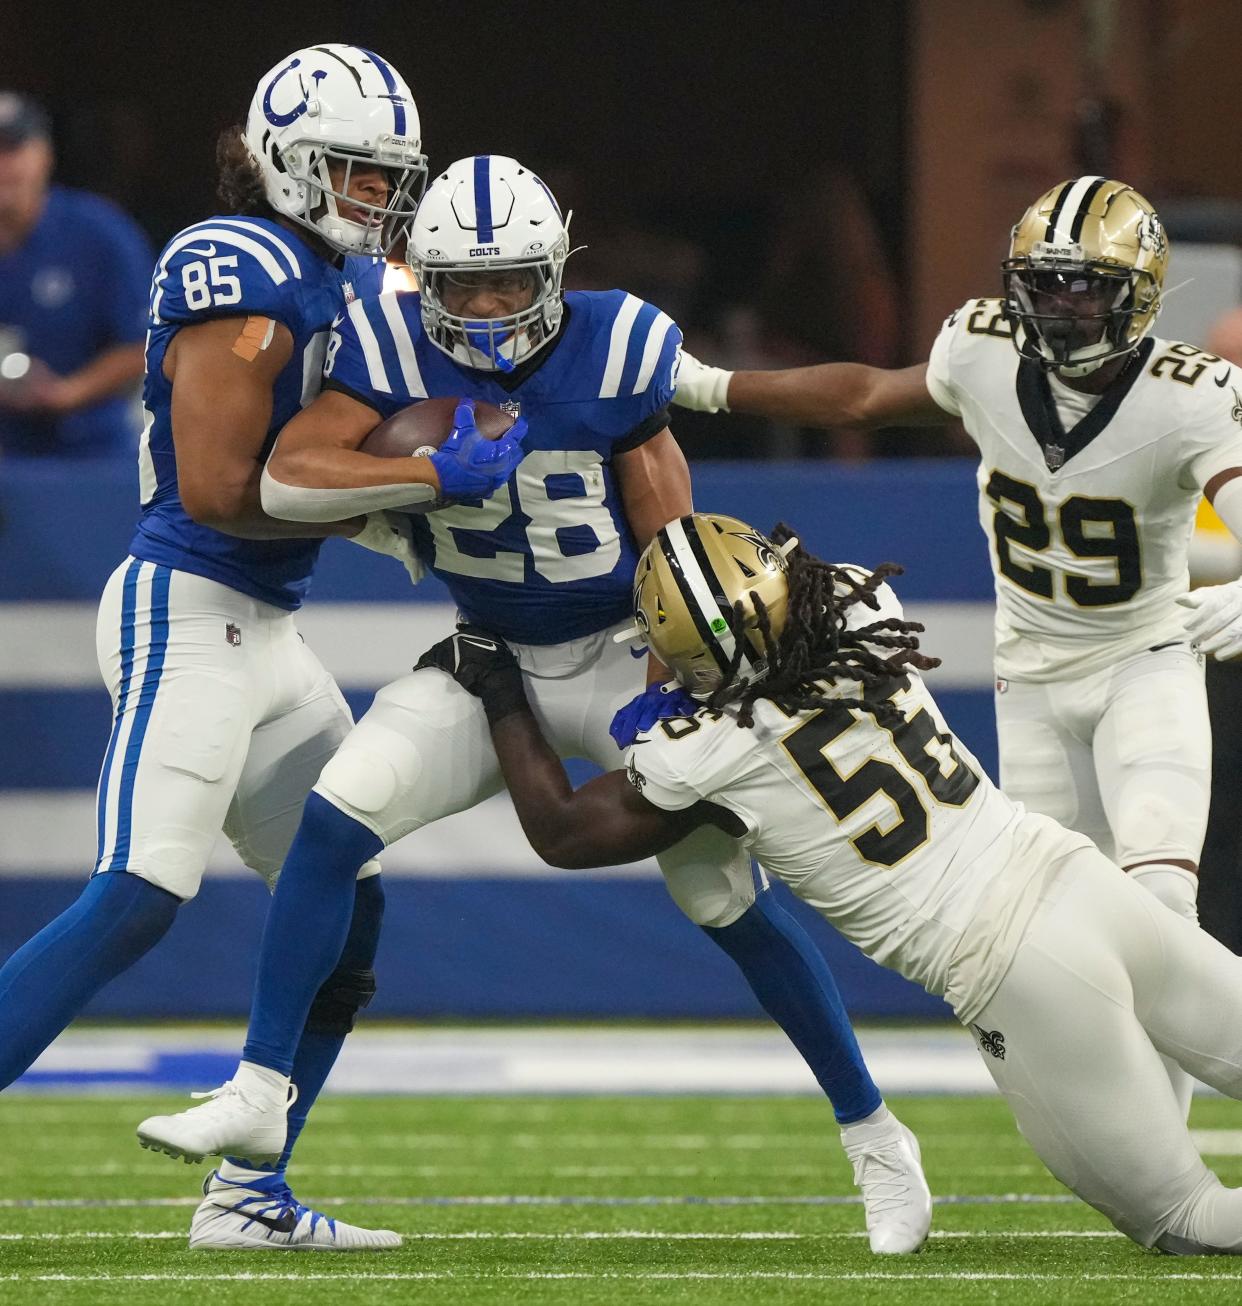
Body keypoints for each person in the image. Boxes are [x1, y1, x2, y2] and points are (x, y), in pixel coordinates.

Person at [133, 155, 931, 1255]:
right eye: (466, 286)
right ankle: (262, 1092)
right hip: (486, 655)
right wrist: (422, 484)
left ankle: (875, 1133)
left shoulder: (616, 344)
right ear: (430, 282)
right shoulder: (389, 339)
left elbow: (669, 540)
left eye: (513, 282)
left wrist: (668, 687)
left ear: (554, 270)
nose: (491, 307)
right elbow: (286, 472)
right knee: (333, 821)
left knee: (721, 895)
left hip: (619, 650)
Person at [0, 47, 522, 1252]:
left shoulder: (336, 272)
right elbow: (221, 485)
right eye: (352, 169)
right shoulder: (237, 267)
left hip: (267, 629)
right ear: (285, 157)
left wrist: (407, 479)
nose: (376, 195)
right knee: (137, 896)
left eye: (388, 175)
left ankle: (248, 1195)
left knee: (346, 911)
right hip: (185, 602)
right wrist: (408, 487)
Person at [419, 511, 1242, 1254]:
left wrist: (497, 687)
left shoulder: (710, 751)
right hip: (1084, 885)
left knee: (1185, 1220)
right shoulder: (855, 604)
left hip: (1016, 971)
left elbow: (561, 831)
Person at [673, 177, 1242, 1114]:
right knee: (1055, 939)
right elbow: (862, 396)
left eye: (1086, 286)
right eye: (1046, 284)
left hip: (1145, 660)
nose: (1061, 307)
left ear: (1138, 293)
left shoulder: (1188, 396)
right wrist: (712, 385)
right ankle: (1148, 1146)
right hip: (1031, 678)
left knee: (1161, 907)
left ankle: (1171, 1152)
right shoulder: (980, 350)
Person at [0, 93, 152, 457]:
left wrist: (69, 392)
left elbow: (145, 342)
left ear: (45, 155)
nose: (3, 165)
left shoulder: (98, 231)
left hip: (87, 454)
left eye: (14, 149)